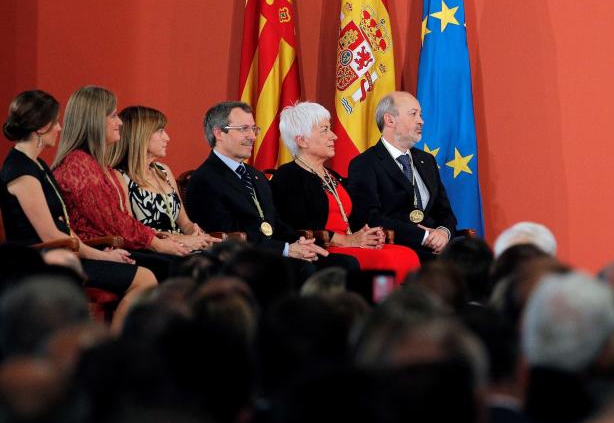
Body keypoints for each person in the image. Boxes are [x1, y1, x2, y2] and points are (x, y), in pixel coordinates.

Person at [1, 90, 156, 326]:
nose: (60, 128)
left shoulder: (37, 164)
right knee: (144, 278)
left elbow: (61, 225)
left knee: (145, 273)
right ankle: (114, 349)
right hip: (41, 261)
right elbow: (51, 235)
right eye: (55, 122)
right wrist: (102, 256)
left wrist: (103, 254)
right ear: (41, 128)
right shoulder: (21, 172)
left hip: (64, 251)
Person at [184, 101, 354, 271]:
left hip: (273, 251)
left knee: (344, 263)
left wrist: (299, 242)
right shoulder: (204, 180)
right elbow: (228, 238)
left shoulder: (255, 175)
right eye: (244, 129)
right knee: (310, 269)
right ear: (219, 133)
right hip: (241, 260)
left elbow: (275, 223)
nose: (252, 136)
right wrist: (286, 249)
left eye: (254, 129)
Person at [271, 102, 419, 282]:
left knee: (406, 254)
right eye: (324, 130)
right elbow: (297, 224)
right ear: (301, 140)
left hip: (349, 243)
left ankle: (403, 308)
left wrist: (368, 233)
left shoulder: (333, 176)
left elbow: (351, 217)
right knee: (386, 260)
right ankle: (380, 306)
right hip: (323, 246)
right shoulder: (288, 175)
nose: (333, 136)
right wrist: (347, 240)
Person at [52, 86, 189, 275]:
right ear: (95, 122)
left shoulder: (95, 162)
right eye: (114, 116)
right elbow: (114, 221)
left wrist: (165, 240)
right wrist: (158, 244)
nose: (120, 123)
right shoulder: (79, 164)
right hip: (95, 252)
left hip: (111, 246)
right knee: (178, 265)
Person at [348, 92, 458, 263]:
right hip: (398, 246)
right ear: (390, 120)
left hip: (437, 246)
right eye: (413, 114)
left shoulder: (426, 160)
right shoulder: (364, 164)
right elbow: (370, 218)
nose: (421, 121)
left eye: (420, 115)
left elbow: (445, 212)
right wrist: (424, 236)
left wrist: (443, 232)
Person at [113, 106, 216, 249]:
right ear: (141, 135)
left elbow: (184, 222)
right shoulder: (119, 176)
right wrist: (180, 239)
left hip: (182, 247)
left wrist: (194, 231)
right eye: (160, 131)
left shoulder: (164, 171)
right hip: (152, 251)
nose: (167, 138)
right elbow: (131, 230)